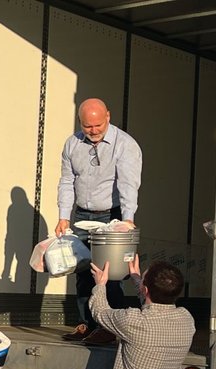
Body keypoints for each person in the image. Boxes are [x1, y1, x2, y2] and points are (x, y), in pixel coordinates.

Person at [55, 98, 143, 345]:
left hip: (112, 214)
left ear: (108, 116)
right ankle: (88, 323)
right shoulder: (72, 144)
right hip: (83, 214)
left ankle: (111, 327)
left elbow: (128, 184)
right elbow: (66, 181)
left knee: (110, 274)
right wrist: (63, 216)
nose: (93, 131)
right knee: (83, 271)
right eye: (87, 126)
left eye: (97, 126)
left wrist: (127, 219)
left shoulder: (125, 145)